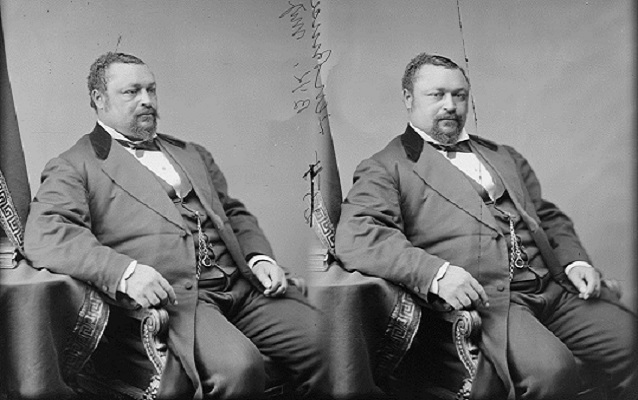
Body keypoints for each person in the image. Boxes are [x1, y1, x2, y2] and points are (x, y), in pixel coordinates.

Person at [23, 52, 325, 399]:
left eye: (151, 90)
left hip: (244, 287)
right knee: (239, 371)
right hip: (180, 300)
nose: (147, 101)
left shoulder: (191, 153)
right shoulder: (75, 165)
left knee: (329, 345)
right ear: (98, 99)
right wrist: (126, 272)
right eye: (131, 92)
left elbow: (233, 213)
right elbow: (47, 232)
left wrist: (259, 258)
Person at [334, 53, 636, 400]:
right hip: (492, 300)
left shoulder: (503, 155)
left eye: (459, 95)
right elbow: (358, 234)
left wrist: (574, 261)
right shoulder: (387, 167)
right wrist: (437, 274)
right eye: (437, 95)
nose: (450, 105)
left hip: (554, 288)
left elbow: (547, 216)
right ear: (408, 99)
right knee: (552, 374)